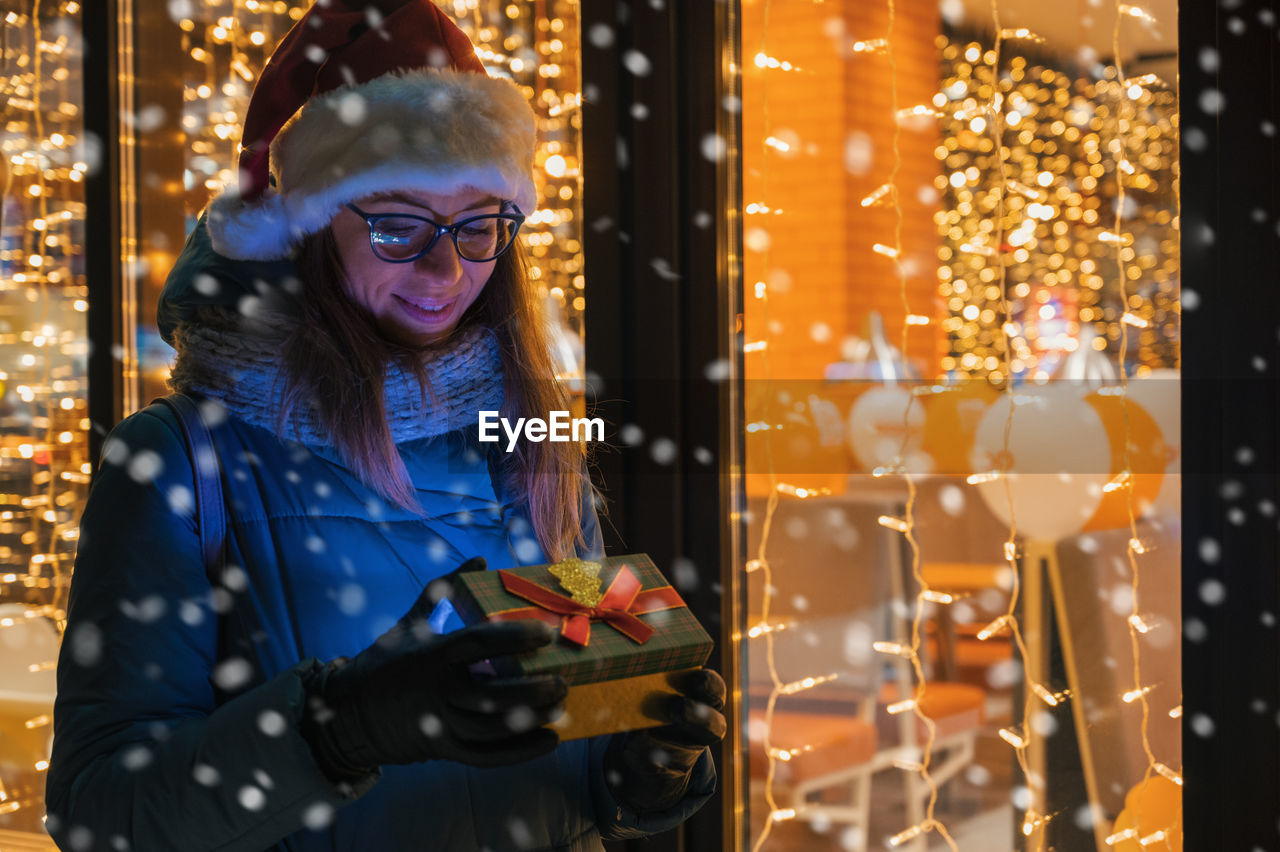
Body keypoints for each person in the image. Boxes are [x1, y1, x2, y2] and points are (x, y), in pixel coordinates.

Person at [44, 2, 724, 849]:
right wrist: (342, 728)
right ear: (308, 223)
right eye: (399, 223)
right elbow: (102, 815)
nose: (446, 268)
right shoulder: (180, 462)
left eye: (480, 224)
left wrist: (638, 764)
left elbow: (567, 746)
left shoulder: (527, 440)